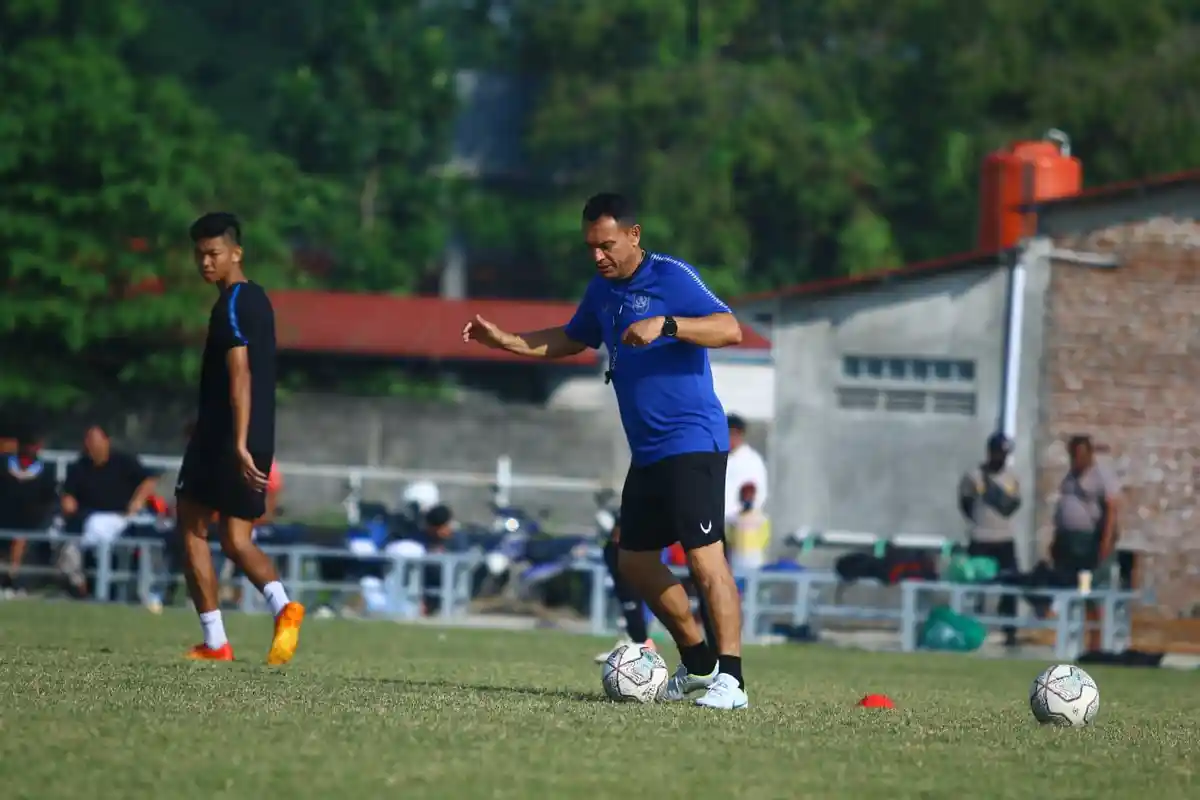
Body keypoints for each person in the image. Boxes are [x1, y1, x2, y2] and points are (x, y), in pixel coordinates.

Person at [463, 192, 749, 709]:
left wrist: (666, 324)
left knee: (707, 560)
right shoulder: (601, 292)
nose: (598, 256)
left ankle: (732, 680)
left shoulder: (671, 277)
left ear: (634, 236)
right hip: (648, 452)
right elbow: (571, 339)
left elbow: (730, 329)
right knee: (633, 562)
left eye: (607, 244)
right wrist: (505, 341)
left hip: (693, 441)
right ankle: (699, 662)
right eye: (591, 247)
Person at [174, 212, 303, 663]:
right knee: (236, 539)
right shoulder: (260, 300)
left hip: (228, 439)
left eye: (213, 253)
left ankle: (215, 643)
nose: (205, 262)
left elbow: (240, 375)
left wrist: (238, 440)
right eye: (200, 254)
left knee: (190, 525)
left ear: (236, 253)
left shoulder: (230, 302)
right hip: (260, 436)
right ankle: (284, 608)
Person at [958, 432, 1022, 646]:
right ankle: (973, 627)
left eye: (1005, 453)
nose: (1001, 457)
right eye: (998, 453)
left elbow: (1013, 505)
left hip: (1004, 539)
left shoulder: (1012, 477)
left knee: (1010, 584)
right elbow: (965, 503)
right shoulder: (974, 476)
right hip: (981, 539)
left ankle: (1010, 629)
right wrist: (979, 522)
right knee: (976, 586)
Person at [61, 426, 157, 548]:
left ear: (107, 441)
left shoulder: (124, 462)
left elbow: (149, 480)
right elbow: (69, 496)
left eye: (94, 441)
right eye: (88, 441)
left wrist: (137, 501)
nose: (91, 446)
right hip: (88, 517)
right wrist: (68, 503)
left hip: (121, 516)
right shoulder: (79, 467)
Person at [0, 427, 58, 595]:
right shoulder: (4, 467)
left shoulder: (46, 473)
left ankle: (15, 580)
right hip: (4, 520)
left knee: (22, 541)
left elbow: (50, 504)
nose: (30, 449)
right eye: (26, 445)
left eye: (33, 446)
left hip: (33, 526)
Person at [593, 512, 656, 663]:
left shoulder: (632, 547)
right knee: (629, 611)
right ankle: (634, 647)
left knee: (634, 611)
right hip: (624, 582)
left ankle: (646, 651)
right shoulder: (610, 550)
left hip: (634, 581)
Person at [724, 414, 768, 526]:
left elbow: (757, 494)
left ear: (739, 434)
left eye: (730, 434)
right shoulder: (719, 458)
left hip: (741, 525)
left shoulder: (751, 461)